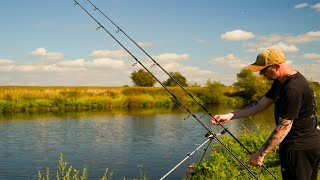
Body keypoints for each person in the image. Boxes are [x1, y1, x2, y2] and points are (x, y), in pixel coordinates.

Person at [211, 49, 320, 180]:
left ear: (276, 66)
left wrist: (261, 153)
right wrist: (230, 115)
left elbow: (284, 127)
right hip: (305, 145)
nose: (261, 74)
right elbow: (260, 105)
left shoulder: (292, 89)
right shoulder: (280, 81)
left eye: (263, 70)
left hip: (299, 149)